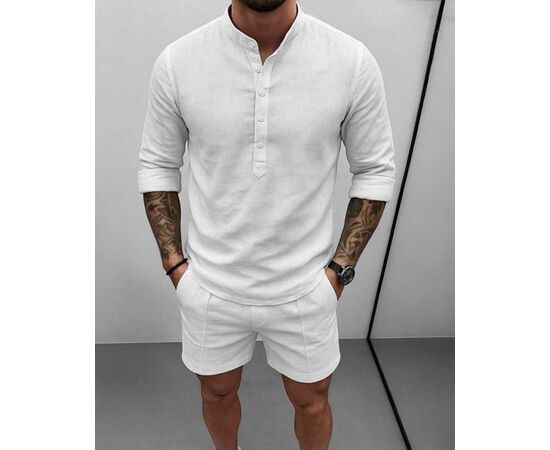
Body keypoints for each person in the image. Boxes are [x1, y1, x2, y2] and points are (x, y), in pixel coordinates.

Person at [138, 1, 395, 448]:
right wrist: (176, 267)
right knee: (216, 392)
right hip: (211, 285)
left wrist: (339, 272)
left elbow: (374, 169)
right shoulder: (178, 61)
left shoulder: (350, 60)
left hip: (305, 285)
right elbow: (158, 164)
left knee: (312, 401)